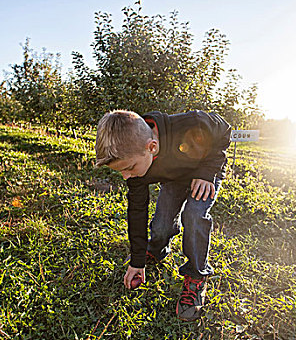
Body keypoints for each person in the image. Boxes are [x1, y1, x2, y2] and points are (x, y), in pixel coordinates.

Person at [94, 109, 231, 321]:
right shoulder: (135, 171)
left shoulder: (190, 123)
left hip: (204, 173)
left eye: (129, 168)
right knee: (161, 225)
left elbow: (223, 128)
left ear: (152, 147)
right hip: (175, 178)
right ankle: (155, 251)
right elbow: (137, 212)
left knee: (194, 214)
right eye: (121, 172)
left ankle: (196, 275)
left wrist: (206, 172)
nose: (126, 176)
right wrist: (137, 262)